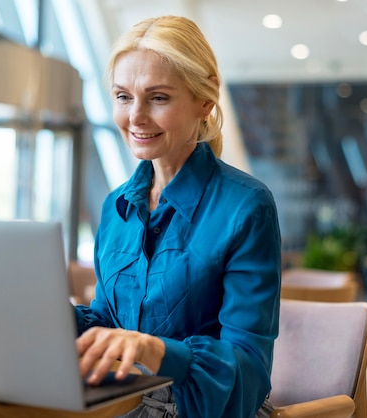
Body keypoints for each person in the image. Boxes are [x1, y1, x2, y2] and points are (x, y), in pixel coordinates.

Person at [73, 15, 281, 418]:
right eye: (122, 96)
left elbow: (249, 371)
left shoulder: (246, 207)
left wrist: (159, 352)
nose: (135, 117)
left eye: (158, 97)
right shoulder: (116, 208)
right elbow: (106, 320)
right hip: (124, 403)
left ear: (205, 100)